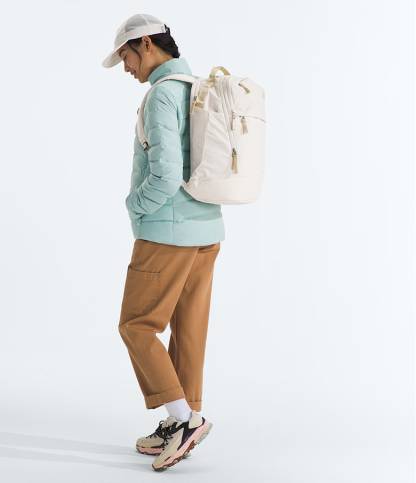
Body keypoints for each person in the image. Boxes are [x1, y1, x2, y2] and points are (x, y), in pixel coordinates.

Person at [102, 13, 225, 471]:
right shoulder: (197, 88)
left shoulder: (161, 96)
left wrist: (136, 206)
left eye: (127, 57)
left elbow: (166, 174)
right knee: (188, 329)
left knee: (136, 325)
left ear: (147, 44)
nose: (127, 68)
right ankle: (179, 420)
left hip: (167, 233)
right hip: (206, 230)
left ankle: (187, 420)